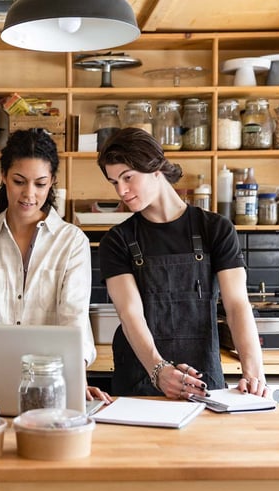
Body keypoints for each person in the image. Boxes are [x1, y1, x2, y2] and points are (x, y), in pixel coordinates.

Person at [97, 128, 267, 399]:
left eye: (128, 177)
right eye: (114, 182)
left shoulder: (215, 229)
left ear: (156, 168)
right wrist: (158, 370)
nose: (121, 190)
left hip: (204, 380)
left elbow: (237, 305)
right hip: (140, 380)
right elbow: (130, 315)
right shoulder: (117, 241)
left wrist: (254, 373)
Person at [0, 128, 111, 404]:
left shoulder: (71, 242)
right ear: (3, 177)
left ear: (52, 183)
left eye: (40, 183)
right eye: (19, 181)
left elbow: (74, 317)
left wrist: (78, 379)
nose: (29, 194)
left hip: (48, 386)